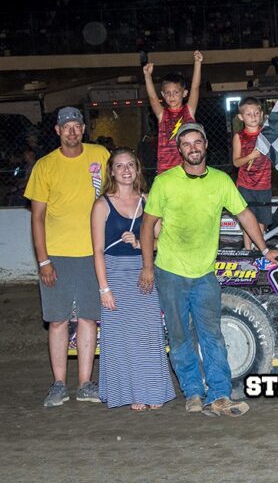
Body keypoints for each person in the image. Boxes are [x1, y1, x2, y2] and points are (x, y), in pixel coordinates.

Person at [139, 122, 278, 417]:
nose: (193, 148)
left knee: (213, 336)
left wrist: (265, 249)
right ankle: (193, 392)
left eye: (198, 142)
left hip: (205, 274)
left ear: (205, 145)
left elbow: (244, 213)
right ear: (179, 150)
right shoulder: (166, 182)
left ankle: (219, 394)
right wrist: (147, 267)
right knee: (180, 336)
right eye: (186, 144)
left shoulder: (221, 181)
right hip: (170, 273)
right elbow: (146, 227)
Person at [24, 106, 110, 407]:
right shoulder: (45, 166)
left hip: (93, 253)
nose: (72, 131)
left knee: (89, 317)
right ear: (57, 131)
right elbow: (37, 218)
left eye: (76, 125)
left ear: (83, 129)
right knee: (58, 320)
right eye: (66, 126)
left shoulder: (100, 156)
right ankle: (59, 383)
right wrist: (44, 260)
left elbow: (118, 192)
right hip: (58, 254)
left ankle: (86, 383)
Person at [91, 148, 176, 411]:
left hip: (144, 271)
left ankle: (152, 391)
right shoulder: (102, 204)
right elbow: (96, 251)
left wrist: (140, 243)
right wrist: (104, 288)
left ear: (137, 169)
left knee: (148, 334)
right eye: (120, 166)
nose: (126, 170)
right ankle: (132, 393)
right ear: (112, 172)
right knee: (121, 337)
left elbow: (162, 240)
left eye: (130, 164)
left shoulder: (148, 201)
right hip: (114, 274)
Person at [143, 50, 203, 174]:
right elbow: (153, 98)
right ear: (163, 95)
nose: (172, 96)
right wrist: (147, 76)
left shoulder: (188, 111)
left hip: (187, 167)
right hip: (166, 168)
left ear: (184, 93)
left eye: (176, 92)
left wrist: (197, 63)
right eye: (168, 93)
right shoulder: (162, 114)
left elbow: (195, 87)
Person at [231, 97, 272, 250]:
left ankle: (260, 250)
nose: (253, 117)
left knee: (261, 220)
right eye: (248, 114)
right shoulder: (239, 136)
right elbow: (236, 162)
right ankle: (248, 250)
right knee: (248, 219)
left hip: (264, 184)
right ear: (241, 117)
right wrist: (250, 157)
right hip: (245, 185)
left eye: (256, 113)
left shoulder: (267, 134)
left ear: (261, 114)